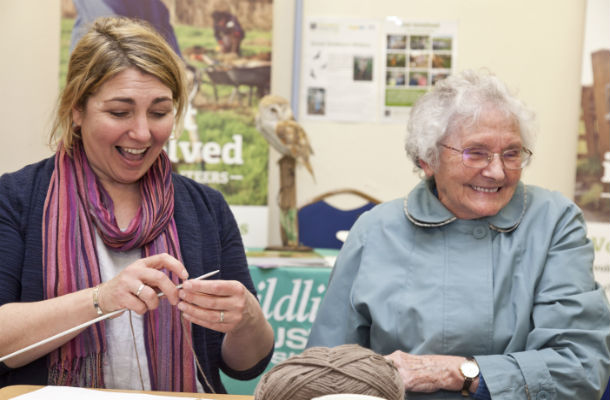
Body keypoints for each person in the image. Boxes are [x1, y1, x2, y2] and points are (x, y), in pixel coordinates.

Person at [0, 16, 273, 393]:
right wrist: (101, 299)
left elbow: (246, 366)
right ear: (77, 110)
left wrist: (248, 320)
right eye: (119, 112)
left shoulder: (204, 207)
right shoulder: (16, 199)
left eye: (159, 112)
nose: (143, 133)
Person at [307, 69, 610, 399]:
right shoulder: (376, 230)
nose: (496, 171)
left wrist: (454, 372)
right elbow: (326, 373)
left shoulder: (553, 222)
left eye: (511, 153)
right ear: (428, 159)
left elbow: (580, 366)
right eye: (476, 152)